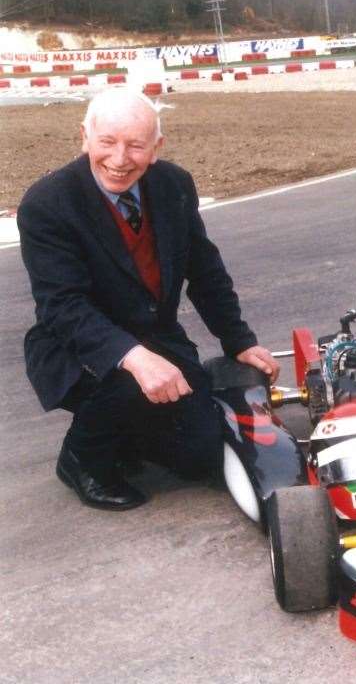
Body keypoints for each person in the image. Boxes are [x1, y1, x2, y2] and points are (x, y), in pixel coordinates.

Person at [17, 88, 279, 512]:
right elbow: (62, 307)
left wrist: (239, 341)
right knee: (128, 386)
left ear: (156, 148)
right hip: (76, 348)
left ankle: (128, 432)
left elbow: (205, 270)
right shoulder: (47, 204)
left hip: (158, 337)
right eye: (107, 142)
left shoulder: (175, 185)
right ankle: (83, 458)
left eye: (135, 145)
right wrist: (134, 357)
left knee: (201, 455)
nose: (120, 159)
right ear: (85, 137)